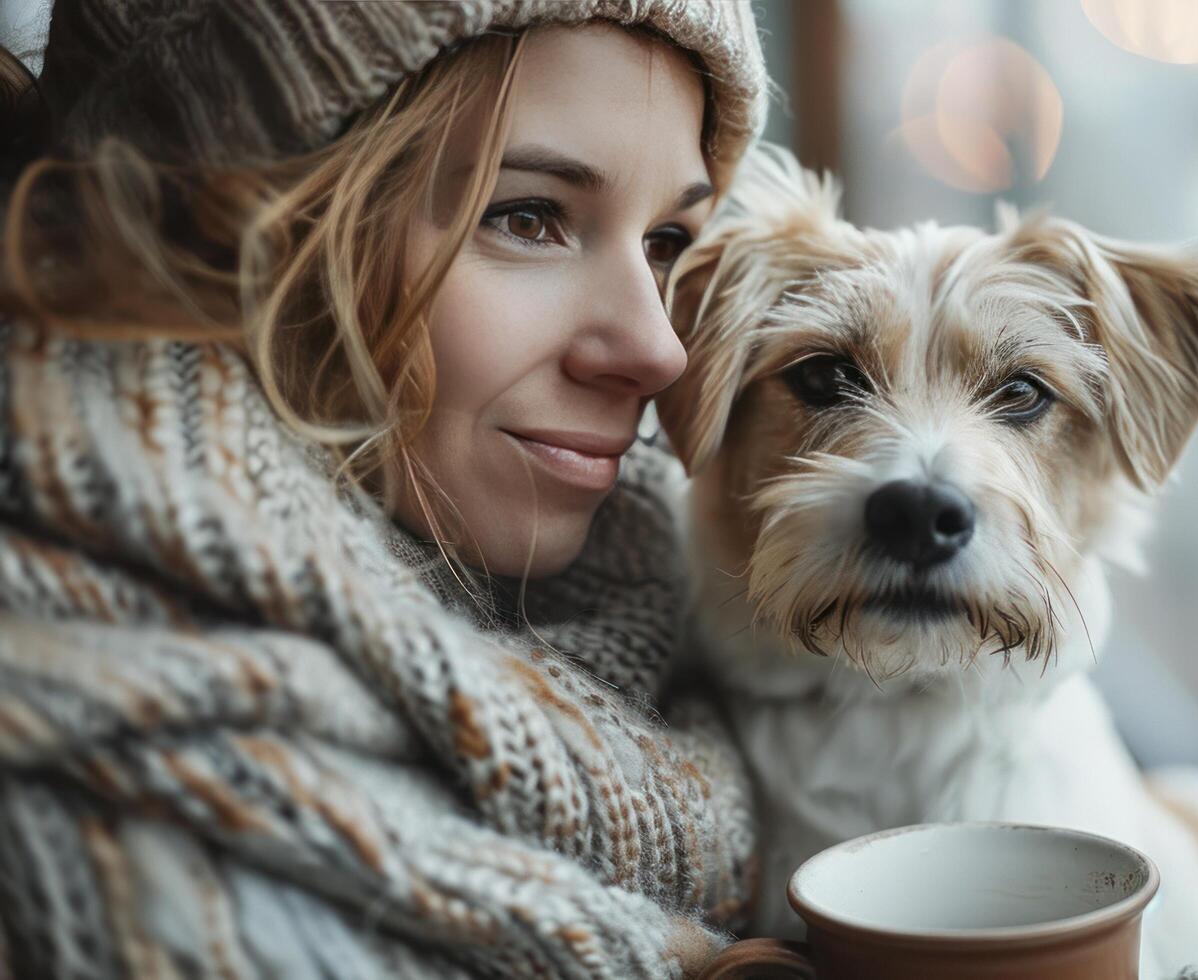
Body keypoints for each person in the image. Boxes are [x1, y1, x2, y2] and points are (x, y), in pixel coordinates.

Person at [0, 2, 767, 977]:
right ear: (243, 231)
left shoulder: (712, 623)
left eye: (667, 241)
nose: (659, 348)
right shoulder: (65, 774)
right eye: (527, 217)